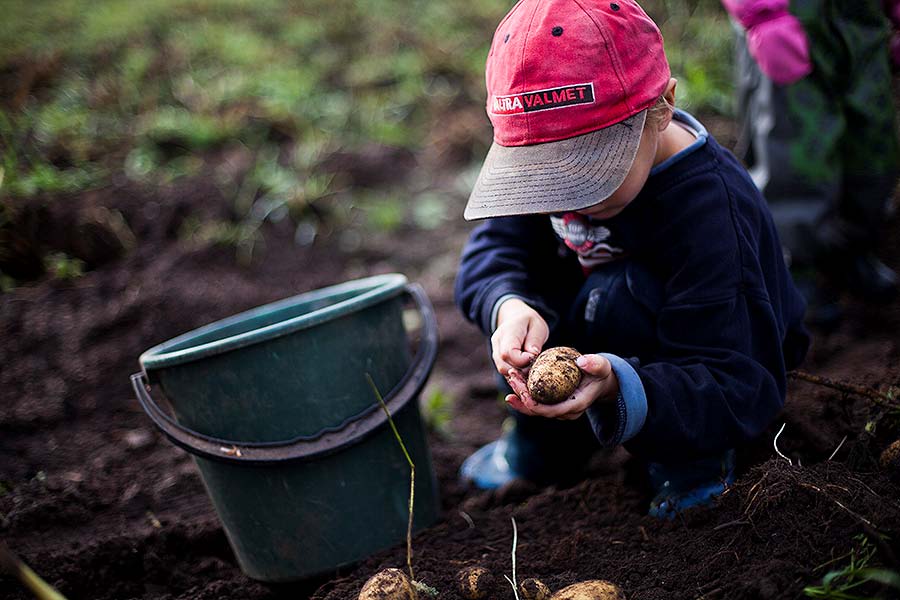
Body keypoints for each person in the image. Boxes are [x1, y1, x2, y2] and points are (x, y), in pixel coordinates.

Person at [453, 0, 810, 517]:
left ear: (661, 108)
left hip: (713, 362)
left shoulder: (712, 215)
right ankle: (548, 445)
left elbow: (739, 377)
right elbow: (494, 249)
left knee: (617, 296)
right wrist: (508, 306)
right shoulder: (557, 183)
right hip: (605, 333)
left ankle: (691, 463)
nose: (563, 199)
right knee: (532, 304)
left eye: (586, 172)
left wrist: (622, 382)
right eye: (540, 176)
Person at [722, 0, 900, 328]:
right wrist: (762, 14)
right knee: (793, 155)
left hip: (862, 22)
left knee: (871, 141)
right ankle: (794, 271)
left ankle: (852, 250)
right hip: (787, 19)